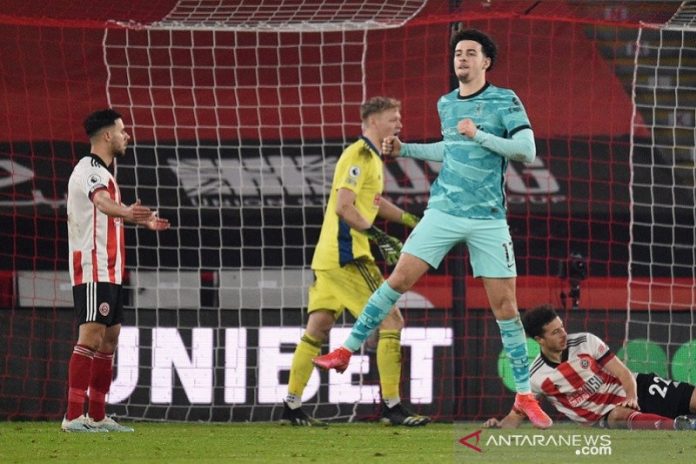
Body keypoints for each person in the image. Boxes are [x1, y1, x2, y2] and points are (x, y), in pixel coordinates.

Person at [312, 29, 552, 428]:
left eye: (470, 53)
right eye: (458, 53)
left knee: (506, 308)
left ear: (485, 62)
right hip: (442, 211)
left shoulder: (505, 100)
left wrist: (481, 134)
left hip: (488, 218)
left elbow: (526, 151)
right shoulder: (446, 103)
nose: (462, 59)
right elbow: (450, 149)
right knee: (398, 280)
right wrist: (405, 149)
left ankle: (525, 395)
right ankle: (346, 350)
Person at [281, 97, 430, 427]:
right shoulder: (360, 154)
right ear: (374, 121)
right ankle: (392, 407)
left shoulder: (373, 159)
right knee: (391, 320)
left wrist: (410, 220)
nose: (400, 124)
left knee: (317, 328)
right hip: (348, 257)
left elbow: (373, 202)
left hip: (326, 259)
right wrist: (379, 236)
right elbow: (344, 207)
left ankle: (291, 406)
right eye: (394, 118)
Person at [61, 109, 170, 432]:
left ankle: (96, 416)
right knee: (91, 336)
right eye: (122, 131)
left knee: (109, 338)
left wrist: (141, 219)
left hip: (112, 269)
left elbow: (108, 211)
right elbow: (102, 203)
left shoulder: (104, 172)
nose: (127, 136)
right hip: (93, 268)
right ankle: (72, 416)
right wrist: (128, 212)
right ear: (107, 136)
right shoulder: (89, 170)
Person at [484, 305, 696, 430]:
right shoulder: (535, 376)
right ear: (539, 339)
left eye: (562, 327)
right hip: (605, 415)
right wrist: (499, 427)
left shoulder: (586, 341)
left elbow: (623, 372)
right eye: (555, 332)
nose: (563, 334)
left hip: (635, 388)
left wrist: (631, 396)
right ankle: (681, 426)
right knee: (618, 416)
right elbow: (517, 414)